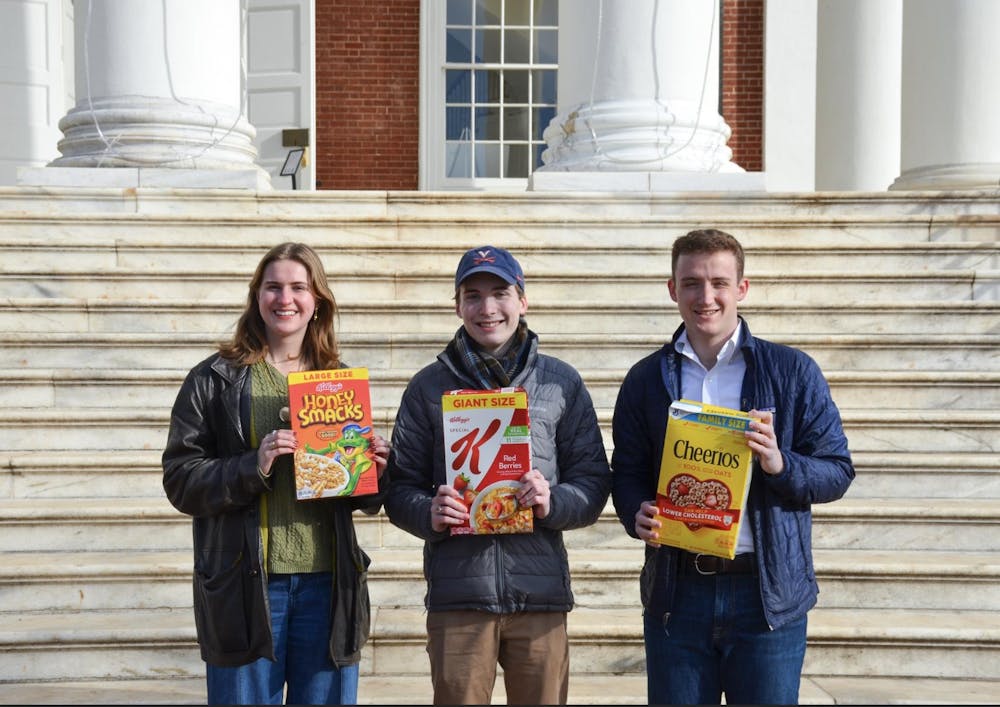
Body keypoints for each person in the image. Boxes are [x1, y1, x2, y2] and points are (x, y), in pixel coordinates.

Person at [610, 229, 855, 705]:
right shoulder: (645, 379)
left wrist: (780, 463)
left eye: (720, 283)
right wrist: (635, 512)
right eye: (692, 283)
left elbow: (836, 470)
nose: (707, 297)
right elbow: (628, 471)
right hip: (678, 595)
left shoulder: (792, 370)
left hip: (764, 597)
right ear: (672, 290)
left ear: (741, 289)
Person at [162, 242, 390, 705]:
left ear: (317, 301)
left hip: (328, 585)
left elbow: (360, 497)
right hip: (246, 585)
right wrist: (254, 465)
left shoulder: (339, 382)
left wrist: (375, 471)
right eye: (273, 287)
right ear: (257, 297)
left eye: (298, 288)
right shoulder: (214, 379)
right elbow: (181, 479)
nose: (285, 298)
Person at [384, 245, 612, 705]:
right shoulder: (428, 386)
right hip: (459, 596)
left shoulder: (559, 383)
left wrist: (552, 502)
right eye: (473, 295)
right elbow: (397, 487)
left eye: (500, 293)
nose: (487, 308)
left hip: (540, 594)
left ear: (522, 300)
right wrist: (429, 511)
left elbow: (592, 482)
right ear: (457, 306)